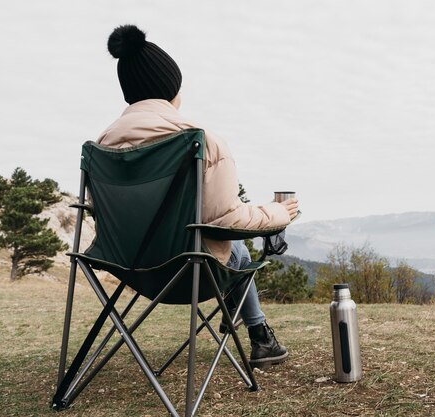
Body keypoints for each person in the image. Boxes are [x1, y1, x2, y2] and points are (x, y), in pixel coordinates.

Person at [98, 24, 299, 368]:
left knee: (221, 240)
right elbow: (227, 221)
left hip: (129, 271)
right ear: (172, 89)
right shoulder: (199, 140)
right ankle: (257, 332)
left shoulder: (101, 147)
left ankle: (252, 326)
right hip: (189, 273)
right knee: (233, 245)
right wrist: (280, 213)